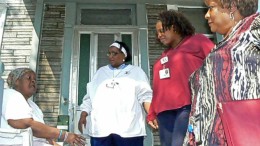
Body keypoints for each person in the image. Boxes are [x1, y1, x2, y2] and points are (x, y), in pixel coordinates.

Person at [185, 0, 260, 145]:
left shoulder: (253, 27)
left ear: (232, 6)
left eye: (211, 8)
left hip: (243, 135)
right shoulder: (224, 45)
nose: (206, 15)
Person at [147, 10, 214, 146]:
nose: (159, 35)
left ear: (174, 27)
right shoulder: (164, 56)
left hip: (188, 106)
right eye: (157, 33)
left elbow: (219, 63)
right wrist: (152, 113)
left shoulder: (197, 41)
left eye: (162, 31)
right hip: (164, 112)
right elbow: (158, 89)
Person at [78, 41, 152, 146]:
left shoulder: (136, 72)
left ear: (124, 55)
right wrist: (83, 115)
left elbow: (146, 96)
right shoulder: (100, 72)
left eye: (115, 53)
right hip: (101, 129)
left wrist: (151, 115)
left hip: (129, 130)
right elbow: (90, 97)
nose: (111, 56)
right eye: (109, 53)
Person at [1, 68, 85, 146]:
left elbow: (46, 138)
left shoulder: (33, 106)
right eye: (29, 78)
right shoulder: (10, 95)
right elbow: (26, 124)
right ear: (17, 81)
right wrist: (64, 135)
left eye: (35, 79)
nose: (33, 81)